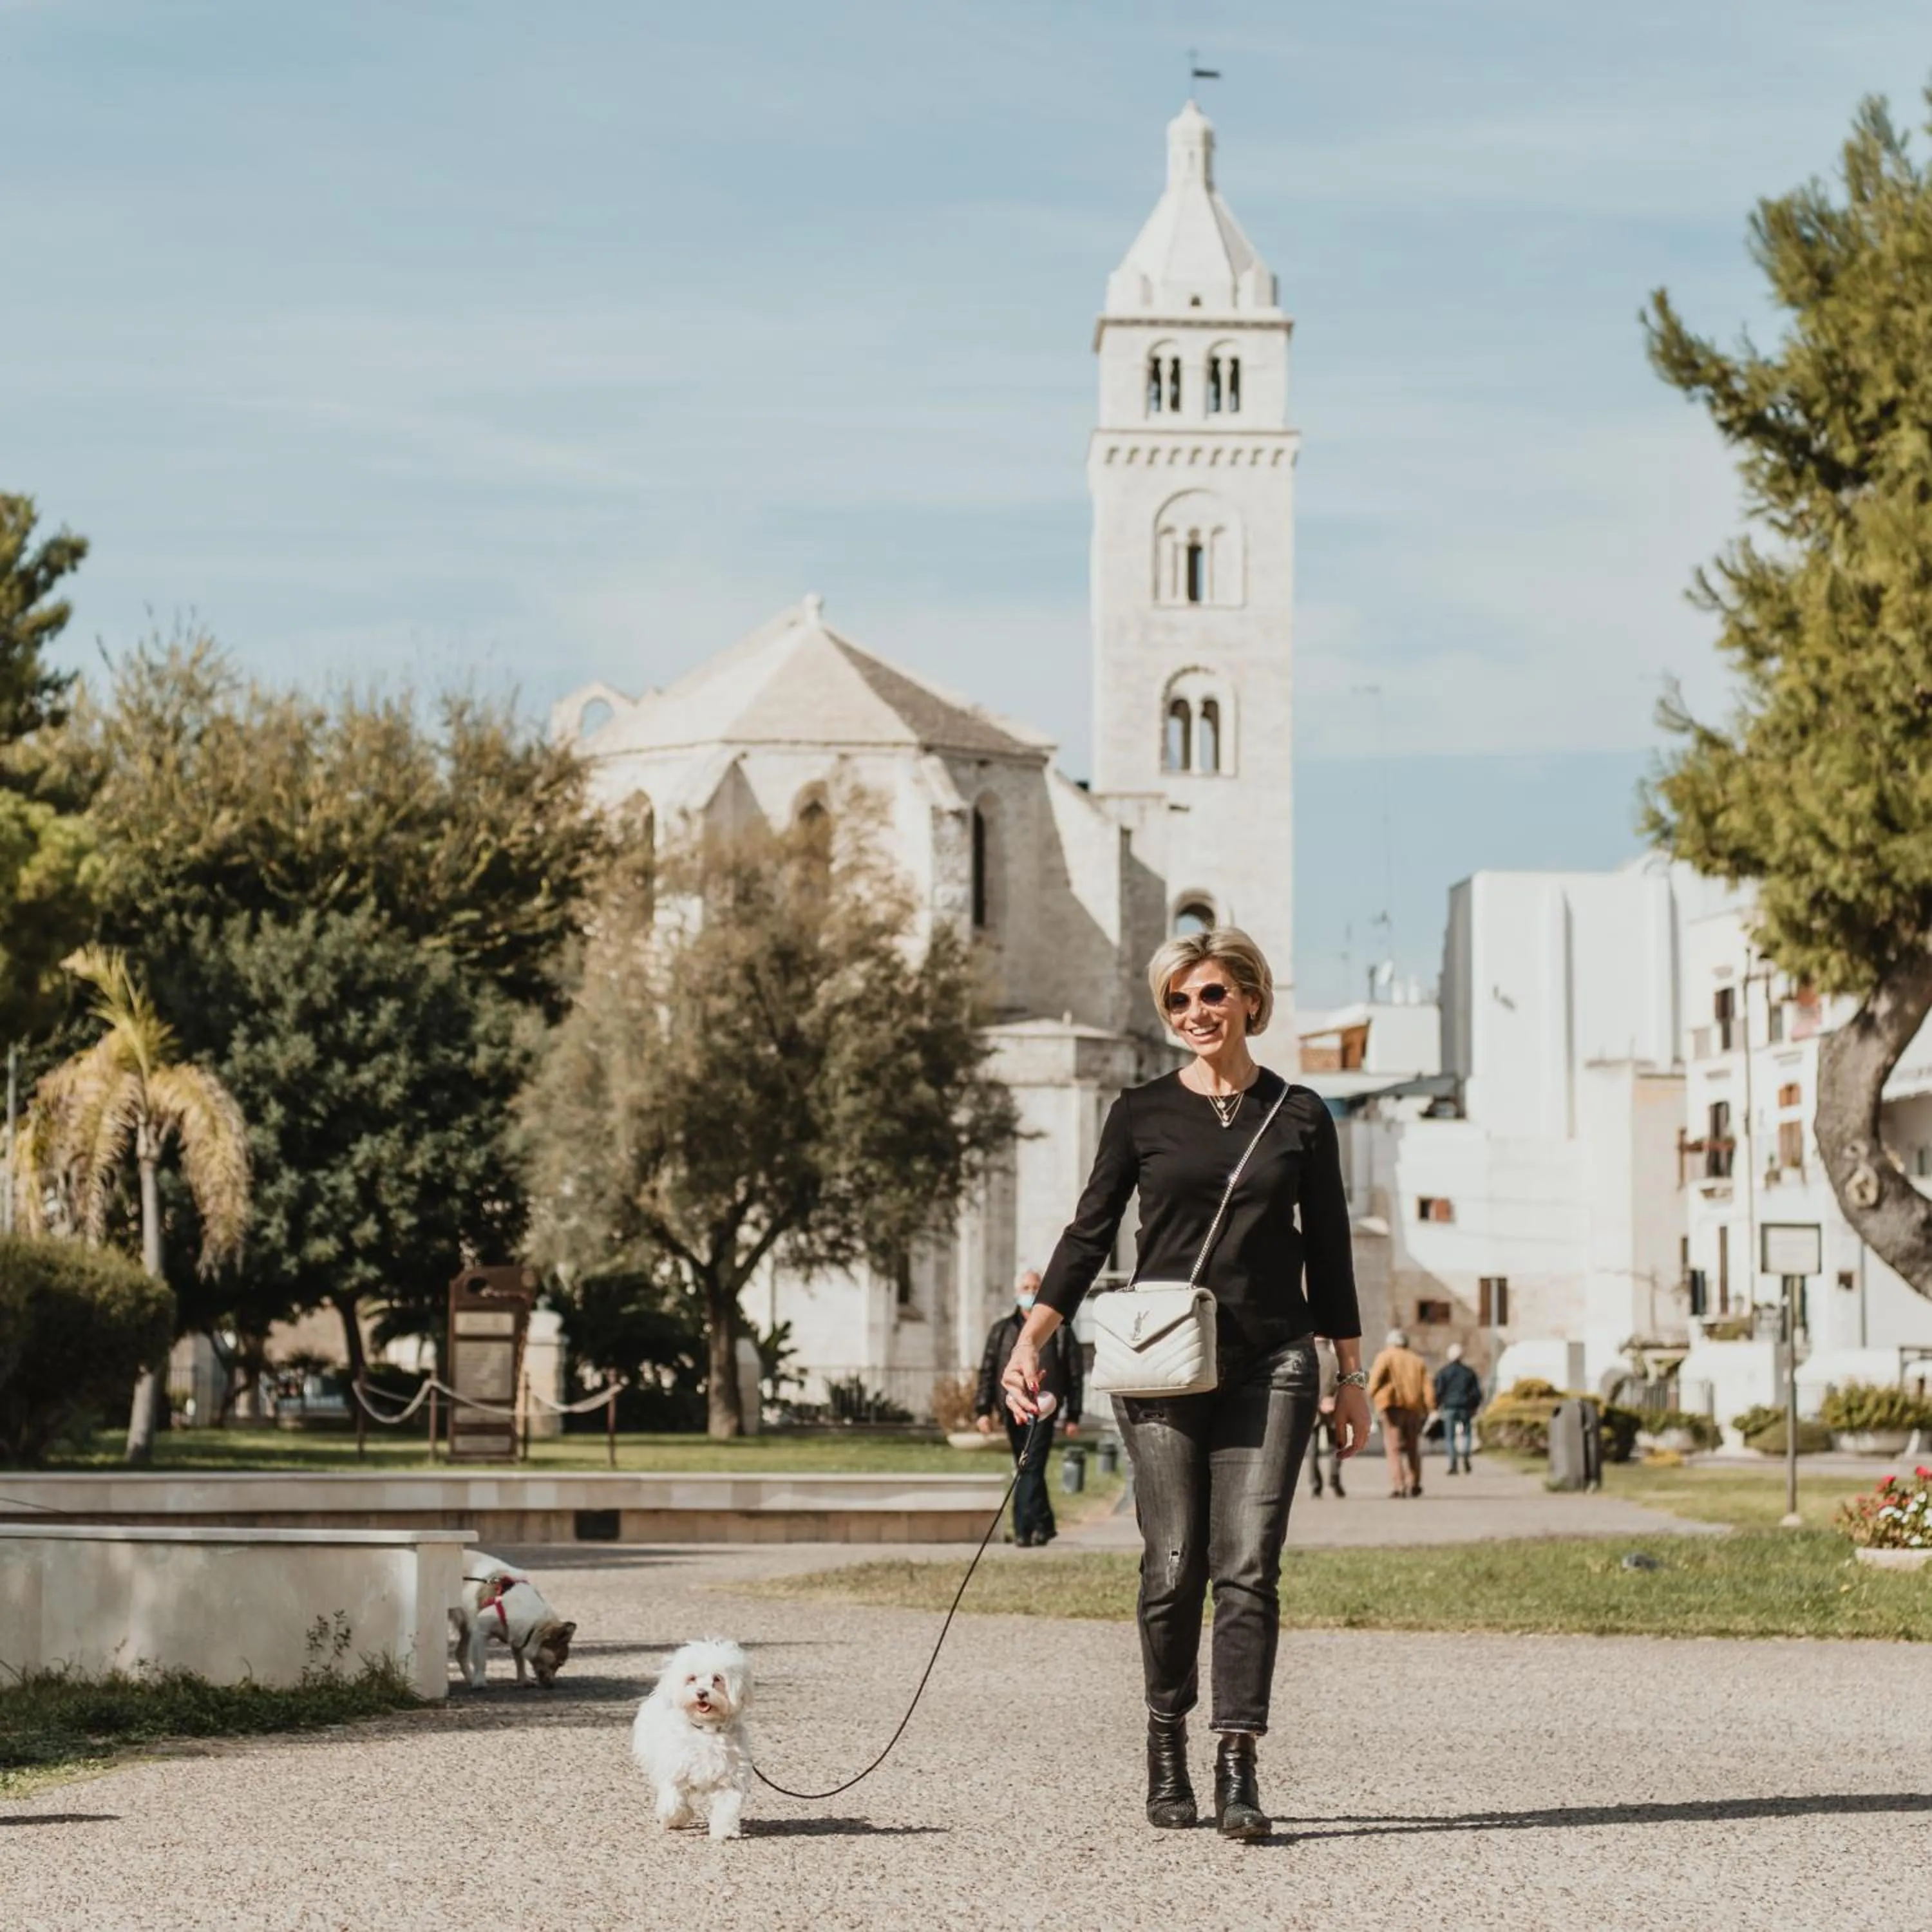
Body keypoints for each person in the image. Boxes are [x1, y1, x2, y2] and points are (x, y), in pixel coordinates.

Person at [1000, 928, 1368, 1841]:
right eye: (1177, 1001)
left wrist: (1350, 1373)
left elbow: (1329, 1248)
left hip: (1275, 1359)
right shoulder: (1140, 1113)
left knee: (1246, 1565)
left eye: (1210, 995)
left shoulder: (1300, 1113)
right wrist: (1033, 1338)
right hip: (1163, 1360)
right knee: (1173, 1568)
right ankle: (1165, 1740)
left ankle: (1237, 1763)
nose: (1195, 1014)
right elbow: (1090, 1235)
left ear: (1248, 996)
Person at [974, 1269, 1081, 1546]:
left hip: (1044, 1408)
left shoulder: (1060, 1331)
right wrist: (983, 1410)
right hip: (1011, 1408)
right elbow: (988, 1371)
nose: (1030, 1292)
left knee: (1030, 1465)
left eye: (1036, 1287)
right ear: (1016, 1292)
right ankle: (1044, 1524)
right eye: (1026, 1287)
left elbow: (1074, 1373)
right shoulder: (1001, 1330)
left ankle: (1023, 1529)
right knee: (1027, 1466)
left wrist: (1073, 1414)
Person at [1367, 1328, 1432, 1499]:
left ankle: (1399, 1485)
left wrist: (1371, 1395)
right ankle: (1415, 1483)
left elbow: (1374, 1381)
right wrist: (1431, 1407)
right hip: (1413, 1408)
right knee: (1413, 1447)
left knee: (1393, 1448)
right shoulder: (1417, 1360)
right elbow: (1428, 1387)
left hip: (1392, 1408)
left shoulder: (1385, 1356)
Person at [1433, 1341, 1482, 1475]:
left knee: (1450, 1437)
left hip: (1449, 1407)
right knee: (1466, 1434)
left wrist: (1436, 1405)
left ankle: (1453, 1463)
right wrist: (1475, 1406)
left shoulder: (1444, 1372)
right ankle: (1466, 1455)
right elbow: (1476, 1392)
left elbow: (1438, 1391)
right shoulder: (1469, 1373)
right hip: (1466, 1407)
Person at [1306, 1387, 1345, 1499]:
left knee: (1312, 1450)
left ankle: (1316, 1486)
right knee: (1335, 1447)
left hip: (1314, 1403)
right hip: (1333, 1405)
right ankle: (1334, 1479)